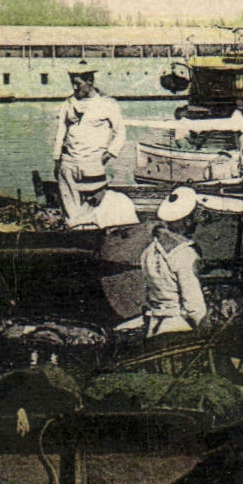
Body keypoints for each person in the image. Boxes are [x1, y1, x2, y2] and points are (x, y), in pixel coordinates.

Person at [52, 61, 125, 225]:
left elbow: (120, 132)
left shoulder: (107, 104)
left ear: (90, 81)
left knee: (92, 207)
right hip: (68, 163)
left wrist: (108, 155)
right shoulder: (68, 103)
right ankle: (74, 234)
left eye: (78, 84)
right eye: (72, 84)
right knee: (70, 209)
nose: (74, 88)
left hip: (92, 163)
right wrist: (57, 159)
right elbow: (60, 132)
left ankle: (89, 235)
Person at [137, 186, 209, 338]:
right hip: (179, 328)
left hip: (155, 325)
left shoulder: (149, 251)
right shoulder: (185, 254)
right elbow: (194, 305)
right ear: (188, 222)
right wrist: (205, 329)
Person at [66, 172, 139, 230]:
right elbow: (85, 218)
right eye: (86, 194)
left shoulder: (118, 201)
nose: (88, 198)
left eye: (91, 193)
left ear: (102, 189)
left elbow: (94, 217)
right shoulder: (95, 203)